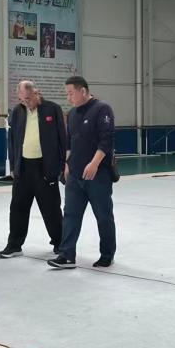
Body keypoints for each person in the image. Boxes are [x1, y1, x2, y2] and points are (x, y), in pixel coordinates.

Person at [48, 76, 116, 269]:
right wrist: (67, 165)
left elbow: (106, 140)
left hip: (98, 175)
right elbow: (69, 143)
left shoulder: (102, 109)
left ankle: (107, 254)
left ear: (83, 91)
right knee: (70, 215)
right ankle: (67, 255)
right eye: (67, 94)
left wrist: (94, 163)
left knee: (103, 215)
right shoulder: (72, 114)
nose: (68, 98)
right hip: (75, 176)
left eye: (71, 93)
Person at [0, 81, 67, 259]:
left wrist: (62, 164)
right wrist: (13, 166)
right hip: (23, 168)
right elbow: (12, 140)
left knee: (51, 209)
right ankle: (14, 245)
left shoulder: (52, 109)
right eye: (22, 100)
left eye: (28, 99)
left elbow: (62, 138)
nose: (26, 103)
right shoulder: (18, 111)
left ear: (37, 93)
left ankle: (60, 243)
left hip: (45, 167)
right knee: (17, 208)